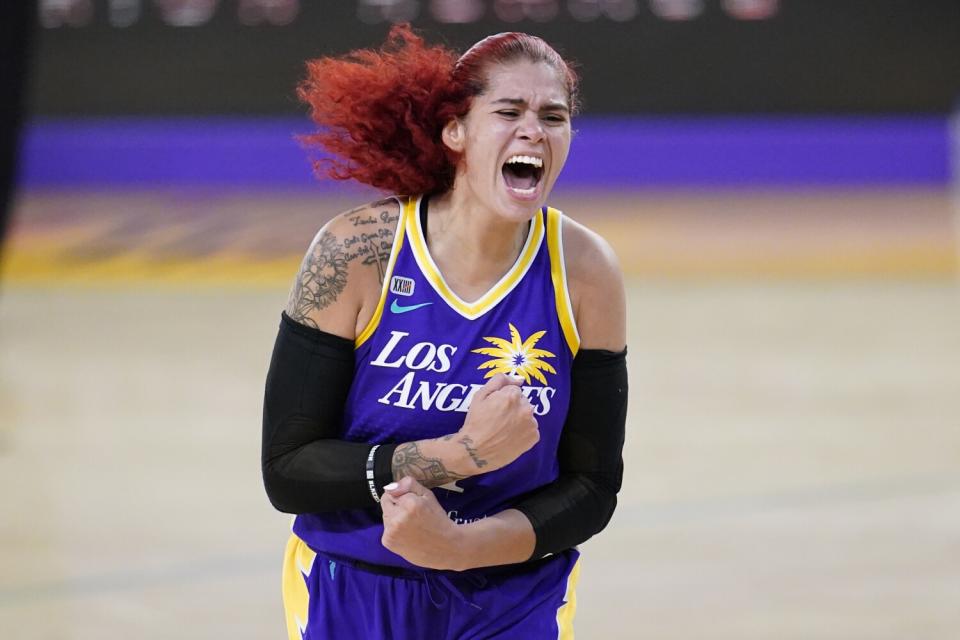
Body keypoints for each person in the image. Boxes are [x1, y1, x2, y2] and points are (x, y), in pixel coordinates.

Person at [262, 25, 627, 640]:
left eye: (553, 116)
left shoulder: (585, 271)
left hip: (515, 592)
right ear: (454, 130)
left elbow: (591, 489)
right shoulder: (358, 252)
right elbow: (288, 468)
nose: (533, 131)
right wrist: (459, 455)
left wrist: (457, 547)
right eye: (508, 111)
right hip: (350, 584)